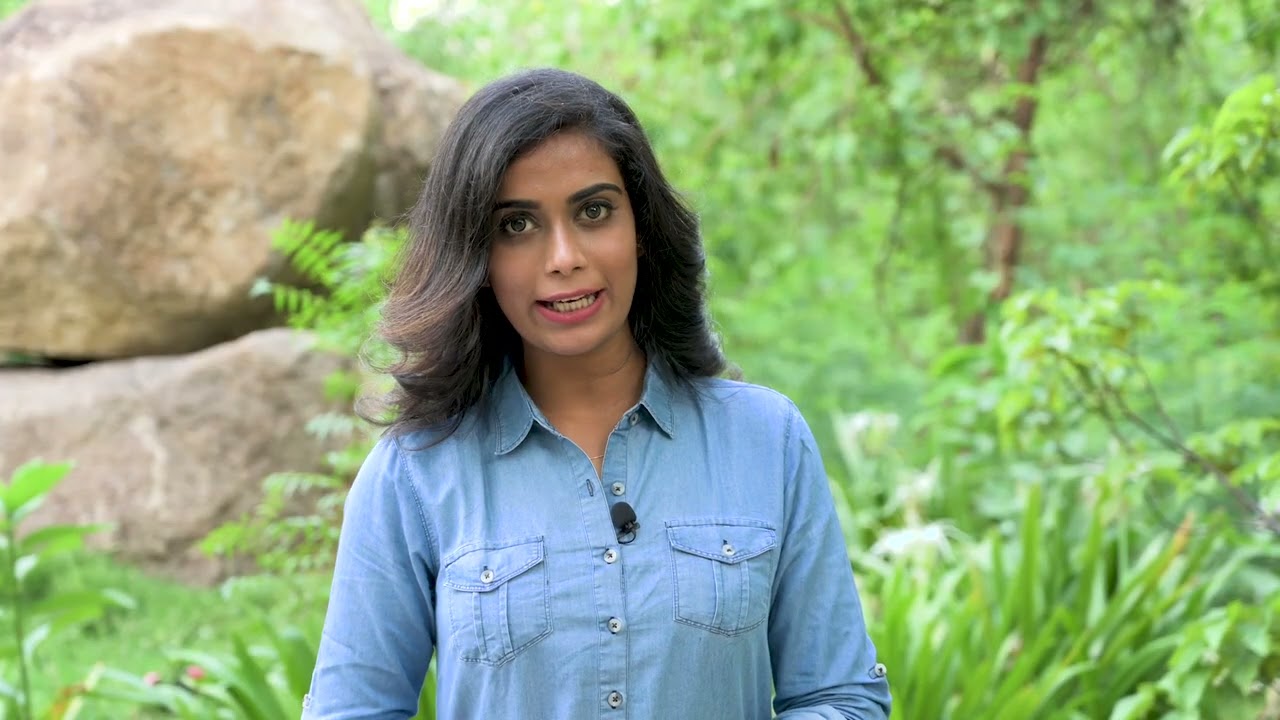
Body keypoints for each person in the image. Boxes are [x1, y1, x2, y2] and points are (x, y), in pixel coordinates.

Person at [302, 67, 891, 719]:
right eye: (517, 226)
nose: (563, 257)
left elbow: (841, 697)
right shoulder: (416, 473)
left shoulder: (766, 440)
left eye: (593, 211)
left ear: (641, 227)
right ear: (477, 257)